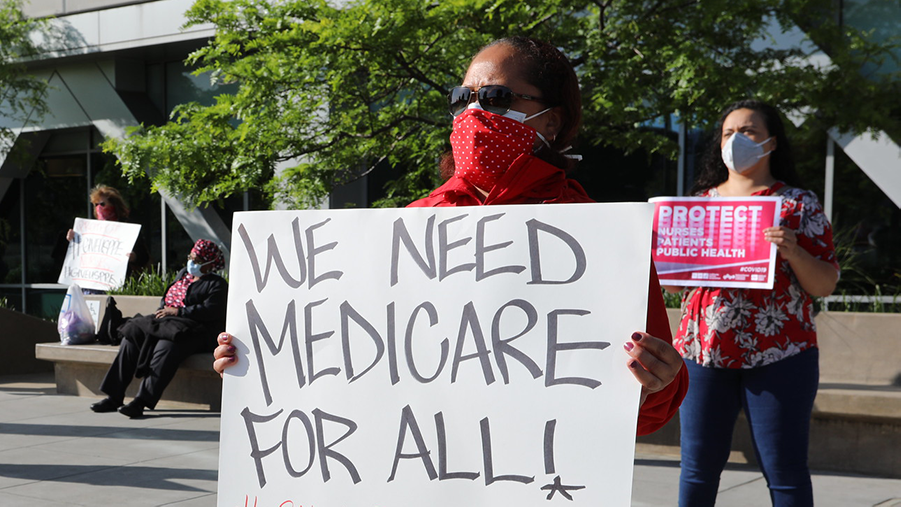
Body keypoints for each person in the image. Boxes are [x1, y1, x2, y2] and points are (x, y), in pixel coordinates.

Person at [214, 36, 688, 436]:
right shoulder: (415, 224)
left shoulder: (596, 236)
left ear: (551, 121)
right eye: (463, 97)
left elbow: (645, 411)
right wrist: (257, 361)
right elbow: (351, 356)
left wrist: (658, 381)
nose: (474, 112)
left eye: (497, 98)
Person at [672, 100, 840, 506]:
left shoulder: (798, 204)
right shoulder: (700, 204)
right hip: (703, 352)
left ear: (771, 143)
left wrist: (795, 252)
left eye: (748, 132)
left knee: (785, 473)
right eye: (729, 133)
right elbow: (677, 289)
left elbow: (825, 284)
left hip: (782, 354)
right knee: (696, 470)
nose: (737, 141)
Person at [91, 239, 228, 418]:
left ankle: (141, 402)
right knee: (130, 338)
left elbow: (211, 311)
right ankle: (114, 396)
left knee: (166, 347)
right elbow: (167, 297)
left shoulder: (216, 284)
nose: (192, 263)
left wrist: (179, 311)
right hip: (167, 323)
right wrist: (166, 310)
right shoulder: (183, 275)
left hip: (194, 330)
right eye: (191, 258)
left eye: (198, 260)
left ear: (210, 264)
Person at [55, 185, 151, 290]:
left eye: (102, 204)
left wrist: (134, 256)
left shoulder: (127, 229)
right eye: (96, 205)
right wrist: (72, 241)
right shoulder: (89, 230)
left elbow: (144, 257)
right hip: (92, 285)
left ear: (114, 205)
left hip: (118, 286)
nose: (99, 208)